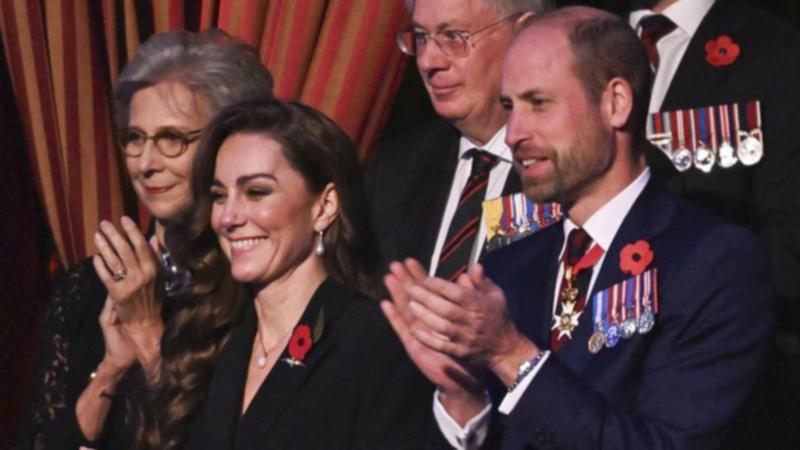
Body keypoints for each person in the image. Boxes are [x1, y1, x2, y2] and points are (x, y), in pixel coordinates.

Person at [382, 6, 772, 449]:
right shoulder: (507, 266)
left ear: (616, 103)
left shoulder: (710, 261)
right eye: (510, 107)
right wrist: (462, 399)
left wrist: (512, 356)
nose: (513, 134)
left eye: (539, 104)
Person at [14, 29, 273, 450]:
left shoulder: (255, 289)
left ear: (230, 143)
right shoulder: (87, 288)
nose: (146, 164)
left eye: (172, 139)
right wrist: (112, 372)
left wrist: (148, 333)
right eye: (135, 139)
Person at [143, 99, 433, 450]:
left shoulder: (371, 339)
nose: (228, 217)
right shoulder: (211, 337)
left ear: (324, 207)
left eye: (257, 192)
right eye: (219, 196)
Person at [627, 0, 800, 446]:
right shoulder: (580, 32)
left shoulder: (775, 51)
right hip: (579, 373)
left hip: (714, 382)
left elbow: (788, 244)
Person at [366, 0, 554, 281]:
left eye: (453, 37)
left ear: (524, 35)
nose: (429, 61)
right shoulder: (394, 169)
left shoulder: (574, 167)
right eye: (420, 38)